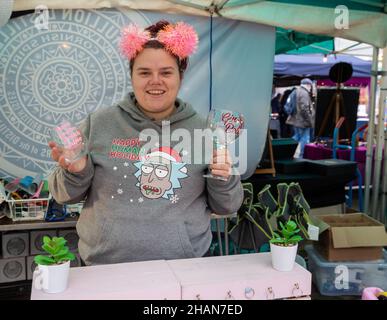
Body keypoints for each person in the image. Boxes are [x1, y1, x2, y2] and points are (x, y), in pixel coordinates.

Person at [48, 20, 244, 266]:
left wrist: (222, 177)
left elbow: (228, 206)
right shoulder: (98, 123)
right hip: (104, 268)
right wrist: (76, 172)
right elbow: (62, 195)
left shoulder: (206, 130)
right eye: (144, 72)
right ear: (132, 76)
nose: (155, 81)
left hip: (184, 267)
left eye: (165, 72)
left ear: (180, 77)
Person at [285, 78, 314, 157]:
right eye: (311, 86)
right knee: (305, 138)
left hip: (295, 120)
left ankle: (287, 152)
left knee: (296, 137)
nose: (311, 88)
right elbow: (304, 109)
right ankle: (302, 156)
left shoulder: (295, 91)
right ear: (308, 85)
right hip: (303, 121)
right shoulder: (304, 93)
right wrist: (310, 121)